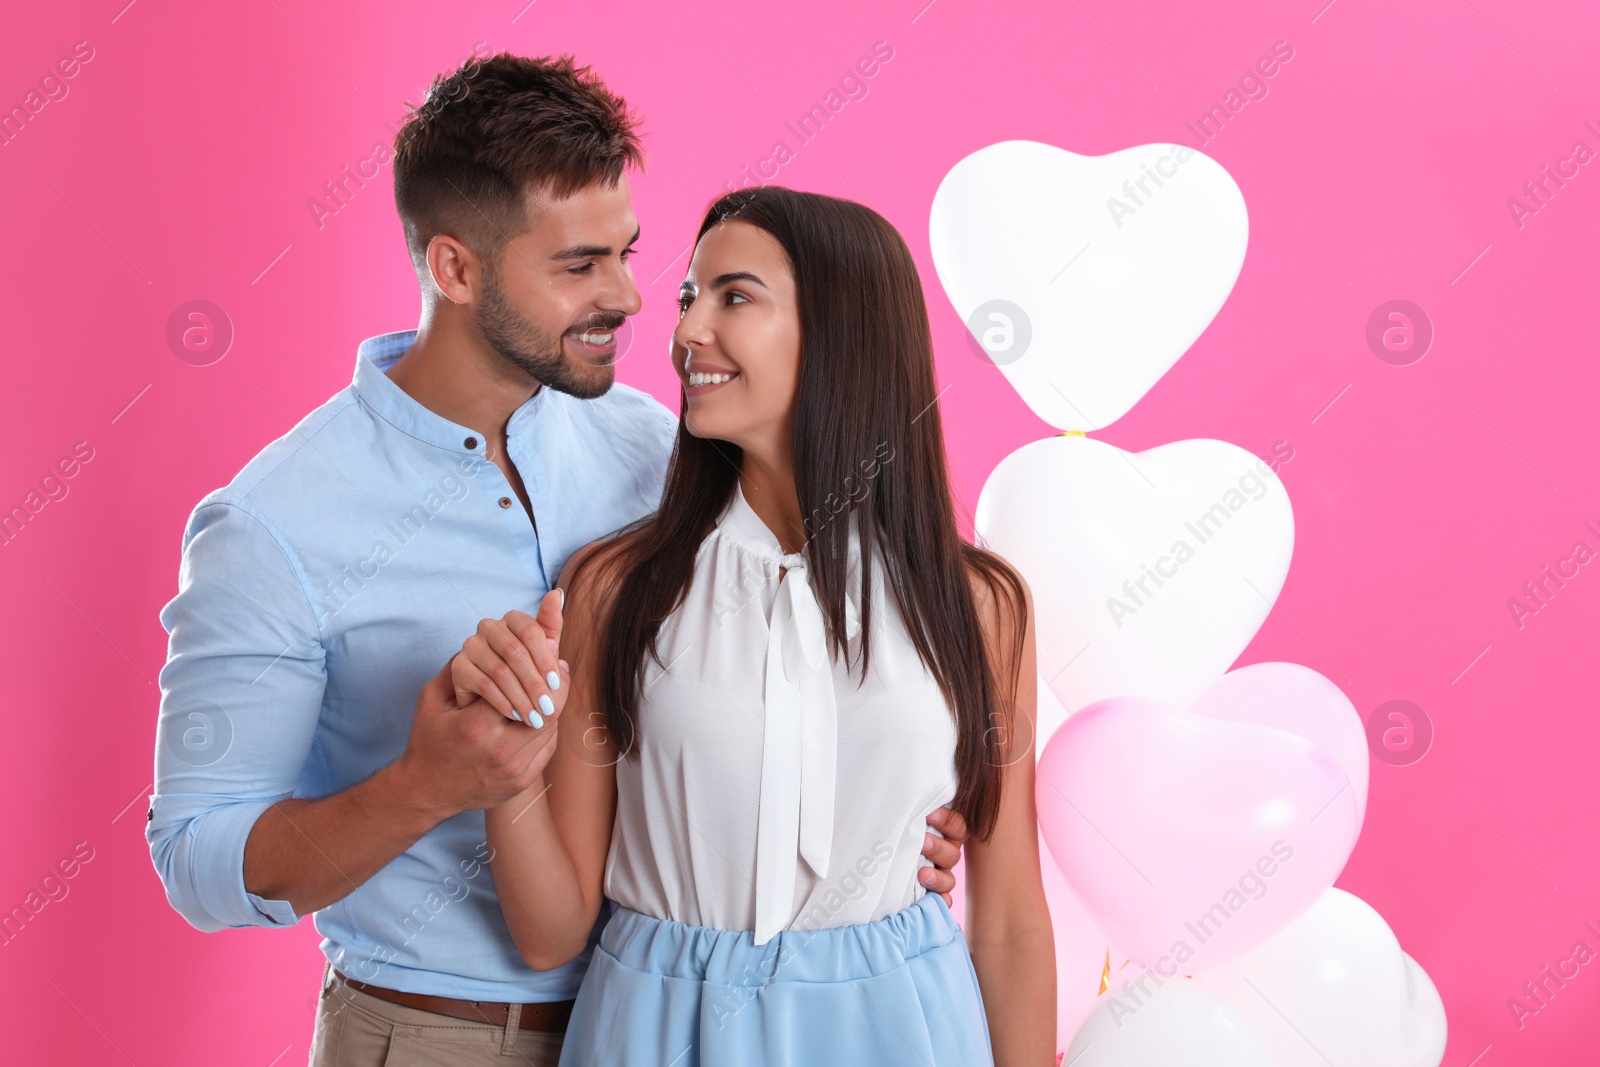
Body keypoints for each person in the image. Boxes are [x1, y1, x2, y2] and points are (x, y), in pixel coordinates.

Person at [145, 53, 966, 1067]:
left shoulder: (663, 452)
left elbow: (781, 672)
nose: (628, 296)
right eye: (579, 265)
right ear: (454, 268)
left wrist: (888, 822)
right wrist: (420, 783)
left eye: (626, 252)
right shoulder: (274, 523)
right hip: (436, 1032)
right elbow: (198, 861)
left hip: (679, 1022)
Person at [450, 186, 1057, 1065]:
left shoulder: (981, 606)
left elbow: (1007, 925)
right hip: (657, 1032)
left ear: (844, 333)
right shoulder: (615, 590)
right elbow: (551, 934)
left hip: (903, 1028)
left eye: (733, 296)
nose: (686, 331)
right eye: (689, 298)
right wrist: (500, 768)